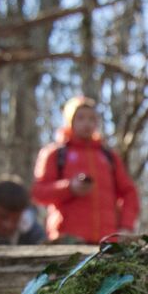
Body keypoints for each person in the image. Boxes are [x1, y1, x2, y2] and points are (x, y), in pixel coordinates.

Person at [31, 97, 140, 244]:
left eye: (91, 118)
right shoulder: (55, 154)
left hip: (107, 241)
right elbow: (39, 192)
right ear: (70, 121)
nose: (86, 123)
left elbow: (129, 192)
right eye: (80, 118)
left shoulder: (108, 156)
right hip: (67, 240)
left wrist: (126, 226)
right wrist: (70, 188)